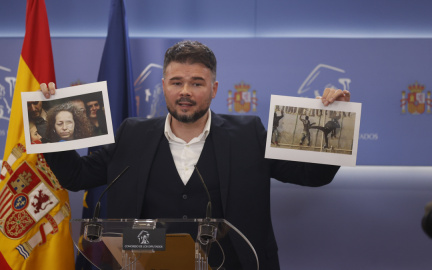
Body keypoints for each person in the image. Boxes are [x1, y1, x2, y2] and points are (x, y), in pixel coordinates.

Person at [40, 40, 351, 269]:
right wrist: (50, 122)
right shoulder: (131, 134)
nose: (185, 92)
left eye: (196, 83)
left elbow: (314, 176)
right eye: (176, 82)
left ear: (214, 89)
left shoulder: (249, 134)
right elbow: (75, 176)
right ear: (163, 86)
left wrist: (334, 120)